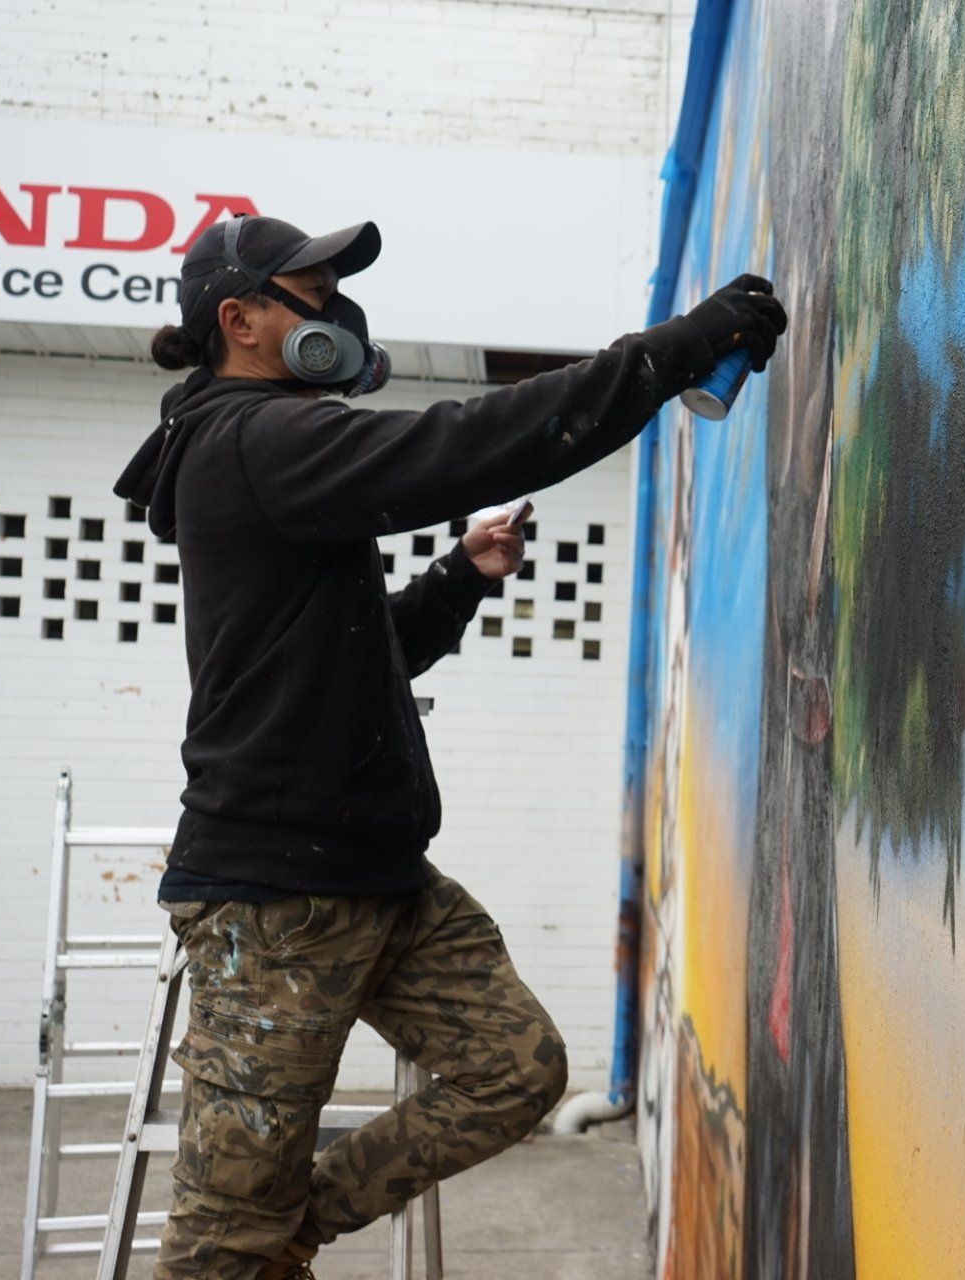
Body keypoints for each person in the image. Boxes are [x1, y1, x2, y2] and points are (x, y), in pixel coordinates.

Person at [114, 213, 786, 1279]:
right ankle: (254, 1235)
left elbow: (350, 655)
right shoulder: (255, 434)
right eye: (310, 293)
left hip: (379, 876)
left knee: (515, 1069)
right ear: (239, 320)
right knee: (216, 1243)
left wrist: (460, 577)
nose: (334, 311)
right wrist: (673, 353)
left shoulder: (271, 447)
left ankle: (286, 1226)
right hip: (275, 901)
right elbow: (462, 443)